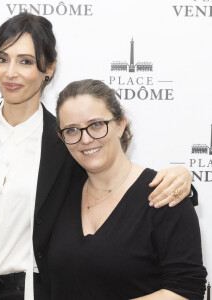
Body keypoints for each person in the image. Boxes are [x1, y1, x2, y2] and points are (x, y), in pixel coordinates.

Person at [0, 13, 196, 300]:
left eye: (25, 61)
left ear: (49, 68)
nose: (10, 72)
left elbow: (110, 184)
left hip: (35, 292)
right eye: (2, 58)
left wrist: (184, 181)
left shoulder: (66, 138)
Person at [46, 79, 207, 300]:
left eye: (96, 125)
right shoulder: (57, 195)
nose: (85, 139)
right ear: (61, 138)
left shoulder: (164, 193)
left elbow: (186, 290)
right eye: (72, 130)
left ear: (120, 124)